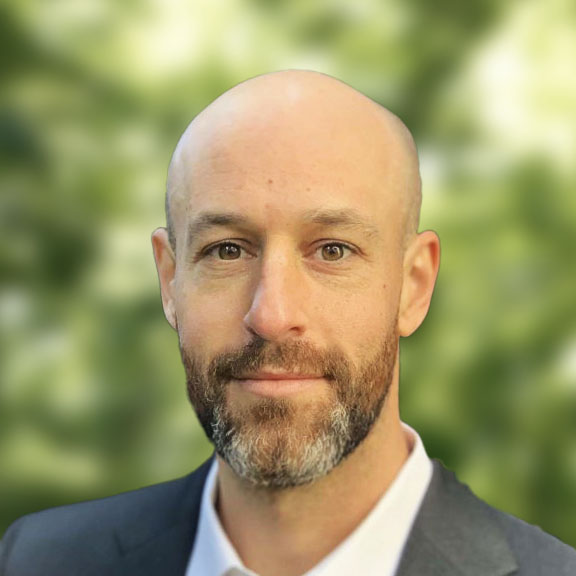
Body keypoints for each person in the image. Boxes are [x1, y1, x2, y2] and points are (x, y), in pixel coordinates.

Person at [1, 70, 574, 576]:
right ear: (170, 280)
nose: (272, 316)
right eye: (227, 250)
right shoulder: (38, 562)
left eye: (332, 250)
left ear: (414, 286)